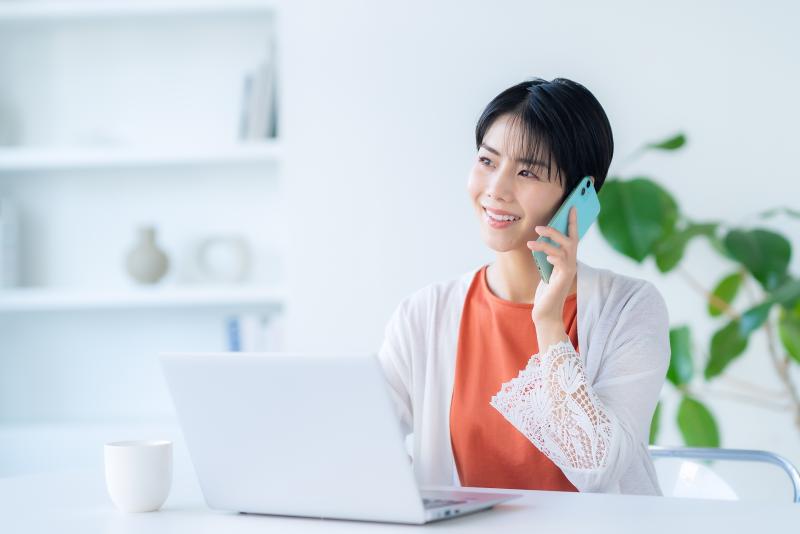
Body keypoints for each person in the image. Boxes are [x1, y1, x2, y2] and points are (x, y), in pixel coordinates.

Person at [377, 77, 670, 495]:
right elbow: (362, 436)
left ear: (579, 195)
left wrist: (548, 322)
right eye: (487, 161)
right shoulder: (425, 314)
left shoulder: (630, 308)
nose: (496, 190)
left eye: (528, 171)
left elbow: (596, 465)